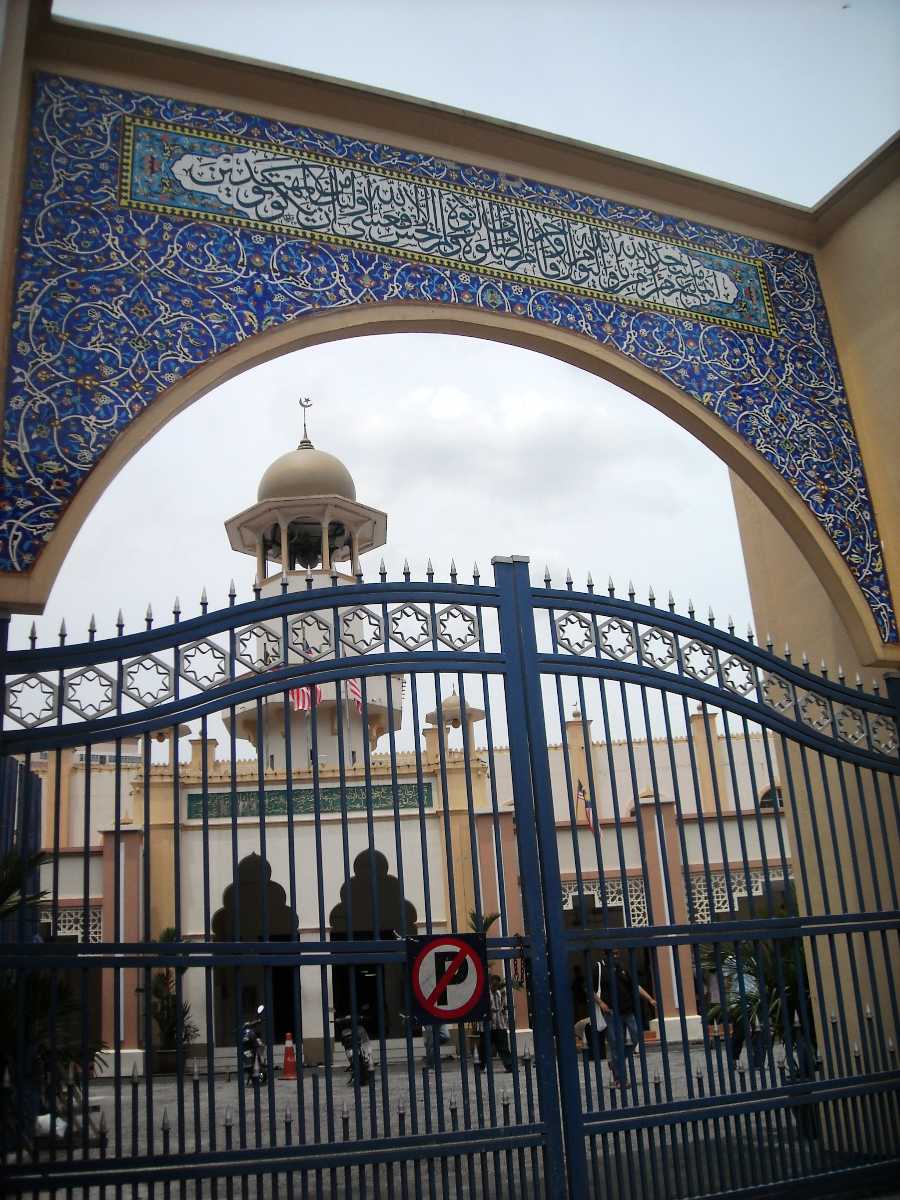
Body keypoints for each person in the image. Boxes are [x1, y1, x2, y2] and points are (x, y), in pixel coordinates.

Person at [598, 948, 656, 1086]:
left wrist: (650, 999)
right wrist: (601, 1003)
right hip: (611, 1013)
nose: (617, 956)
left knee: (637, 1036)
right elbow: (589, 988)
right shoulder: (599, 968)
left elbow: (635, 986)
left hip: (627, 1011)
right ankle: (620, 1078)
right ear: (606, 955)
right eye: (614, 954)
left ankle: (616, 1061)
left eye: (618, 954)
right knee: (615, 1043)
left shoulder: (622, 968)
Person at [478, 973, 512, 1072]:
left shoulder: (500, 993)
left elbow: (504, 1007)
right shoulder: (485, 994)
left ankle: (509, 1066)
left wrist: (505, 1017)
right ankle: (480, 1067)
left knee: (503, 1047)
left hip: (499, 1024)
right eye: (494, 984)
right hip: (487, 1025)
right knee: (484, 1048)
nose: (495, 986)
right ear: (490, 983)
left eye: (497, 984)